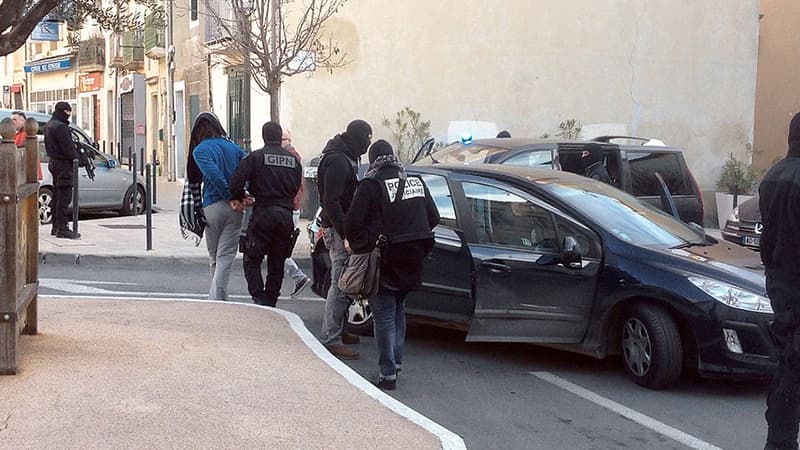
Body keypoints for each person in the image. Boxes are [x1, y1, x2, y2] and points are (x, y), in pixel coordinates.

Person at [345, 140, 439, 389]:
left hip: (384, 258)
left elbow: (352, 223)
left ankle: (387, 373)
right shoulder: (415, 182)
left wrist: (361, 244)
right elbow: (434, 217)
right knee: (399, 310)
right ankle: (396, 363)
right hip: (414, 257)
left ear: (373, 161)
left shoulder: (370, 185)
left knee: (384, 316)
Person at [230, 121, 302, 307]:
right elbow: (296, 186)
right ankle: (271, 300)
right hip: (285, 215)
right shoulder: (293, 160)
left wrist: (241, 197)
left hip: (263, 213)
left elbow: (235, 182)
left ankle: (259, 297)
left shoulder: (255, 157)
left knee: (251, 258)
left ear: (263, 137)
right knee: (277, 261)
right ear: (280, 137)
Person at [760, 111, 800, 450]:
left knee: (788, 366)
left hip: (781, 285)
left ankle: (779, 441)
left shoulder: (774, 175)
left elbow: (769, 238)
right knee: (792, 372)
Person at [318, 119, 373, 360]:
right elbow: (332, 201)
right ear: (358, 138)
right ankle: (331, 338)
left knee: (345, 281)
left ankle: (340, 328)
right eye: (367, 138)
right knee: (340, 283)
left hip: (340, 228)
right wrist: (346, 234)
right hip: (338, 230)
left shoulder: (343, 154)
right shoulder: (339, 160)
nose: (368, 144)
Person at [187, 112, 247, 301]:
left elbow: (213, 175)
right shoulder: (234, 148)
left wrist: (230, 196)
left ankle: (216, 301)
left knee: (214, 257)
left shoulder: (200, 151)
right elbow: (249, 168)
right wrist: (240, 196)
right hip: (235, 208)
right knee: (225, 256)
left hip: (212, 206)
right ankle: (218, 299)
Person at [281, 128, 312, 296]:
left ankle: (298, 276)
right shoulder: (294, 157)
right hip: (292, 207)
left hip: (290, 207)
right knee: (280, 247)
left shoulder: (291, 157)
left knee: (280, 247)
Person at [44, 102, 80, 239]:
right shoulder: (60, 127)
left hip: (54, 162)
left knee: (57, 196)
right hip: (63, 164)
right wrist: (78, 159)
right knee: (64, 197)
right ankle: (63, 228)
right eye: (67, 111)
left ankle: (56, 227)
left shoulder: (50, 124)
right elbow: (68, 149)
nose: (69, 114)